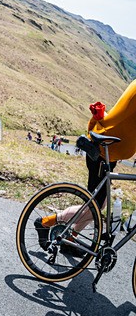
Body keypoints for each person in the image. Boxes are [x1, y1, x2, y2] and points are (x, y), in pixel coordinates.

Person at [35, 80, 136, 254]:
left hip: (109, 152)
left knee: (98, 204)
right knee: (93, 207)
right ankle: (45, 222)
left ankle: (70, 239)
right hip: (103, 152)